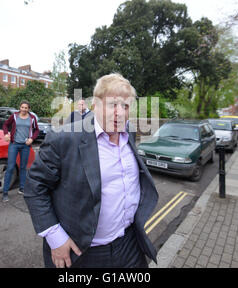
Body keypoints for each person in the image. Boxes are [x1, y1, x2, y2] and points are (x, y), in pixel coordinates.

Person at [25, 73, 159, 268]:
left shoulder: (128, 133)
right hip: (85, 253)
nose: (120, 113)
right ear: (95, 104)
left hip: (130, 245)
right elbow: (35, 187)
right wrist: (56, 237)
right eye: (113, 104)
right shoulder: (64, 138)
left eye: (126, 106)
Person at [2, 100, 39, 202]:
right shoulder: (14, 116)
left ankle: (21, 188)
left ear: (29, 109)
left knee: (23, 167)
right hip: (14, 144)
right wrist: (6, 133)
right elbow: (5, 125)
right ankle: (5, 192)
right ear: (20, 107)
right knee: (10, 167)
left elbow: (37, 130)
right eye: (22, 107)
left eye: (26, 108)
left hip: (25, 146)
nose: (23, 109)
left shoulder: (32, 118)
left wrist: (32, 138)